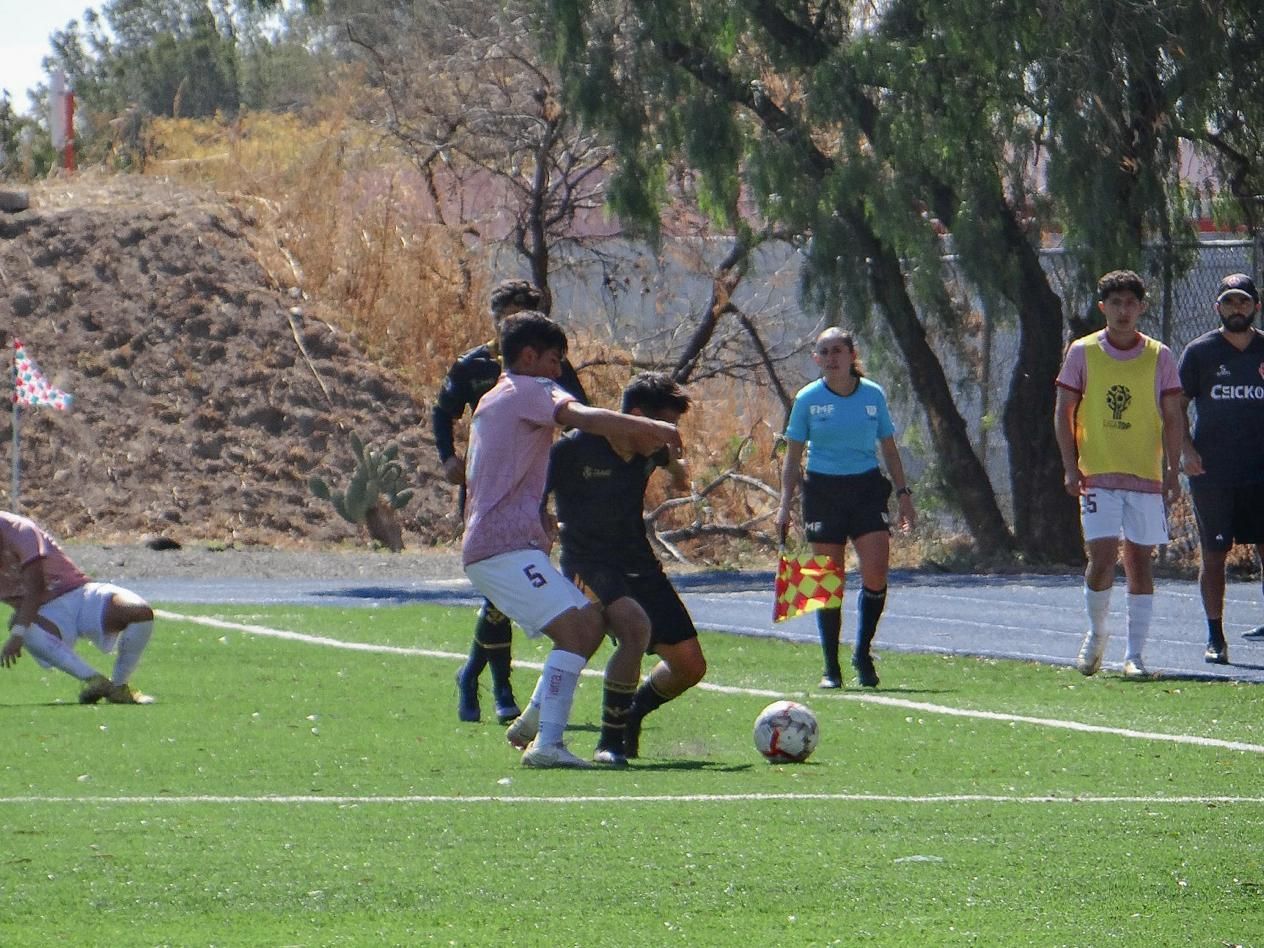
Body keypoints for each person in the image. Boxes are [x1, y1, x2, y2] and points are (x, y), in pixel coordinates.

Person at [462, 311, 682, 768]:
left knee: (590, 624)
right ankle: (548, 744)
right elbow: (582, 417)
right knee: (579, 629)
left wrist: (536, 513)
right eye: (554, 360)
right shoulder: (529, 388)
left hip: (500, 544)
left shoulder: (495, 396)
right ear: (529, 357)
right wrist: (652, 428)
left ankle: (533, 724)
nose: (559, 371)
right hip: (502, 547)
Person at [432, 279, 589, 725]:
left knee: (501, 600)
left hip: (531, 490)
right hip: (488, 492)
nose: (511, 323)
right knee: (498, 597)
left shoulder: (549, 369)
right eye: (506, 316)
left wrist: (557, 494)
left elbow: (576, 419)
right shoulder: (475, 365)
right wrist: (448, 457)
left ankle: (477, 676)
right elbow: (442, 411)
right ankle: (497, 686)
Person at [544, 372, 703, 765]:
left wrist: (679, 473)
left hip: (638, 561)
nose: (667, 437)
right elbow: (532, 492)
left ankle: (630, 715)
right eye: (664, 427)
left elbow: (674, 464)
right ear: (636, 417)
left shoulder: (650, 449)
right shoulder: (573, 450)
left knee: (690, 666)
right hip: (587, 561)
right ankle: (609, 742)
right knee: (634, 629)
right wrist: (540, 525)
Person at [1054, 269, 1184, 679]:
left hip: (1144, 474)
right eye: (1115, 303)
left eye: (1130, 303)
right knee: (1102, 558)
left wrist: (1172, 470)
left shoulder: (1160, 355)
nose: (1123, 311)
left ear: (1141, 307)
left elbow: (1173, 416)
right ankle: (1096, 633)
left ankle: (1134, 655)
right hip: (1098, 473)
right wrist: (1070, 465)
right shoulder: (1082, 352)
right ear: (1102, 308)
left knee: (1140, 563)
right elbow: (1064, 411)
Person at [775, 327, 917, 690]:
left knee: (876, 572)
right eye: (824, 352)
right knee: (826, 578)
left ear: (852, 355)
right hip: (823, 491)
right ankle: (830, 666)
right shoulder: (807, 399)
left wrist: (904, 494)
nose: (831, 358)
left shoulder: (872, 395)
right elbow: (792, 457)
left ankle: (862, 652)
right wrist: (784, 504)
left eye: (838, 350)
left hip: (866, 488)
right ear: (816, 359)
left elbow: (889, 449)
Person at [1178, 273, 1264, 664]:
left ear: (1256, 306)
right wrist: (1186, 451)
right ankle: (1215, 637)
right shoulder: (1200, 352)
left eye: (1243, 301)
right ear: (1218, 307)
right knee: (1214, 554)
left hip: (1260, 471)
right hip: (1214, 473)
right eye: (1229, 302)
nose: (1236, 308)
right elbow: (1176, 406)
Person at [0, 510, 156, 703]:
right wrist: (19, 631)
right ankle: (95, 680)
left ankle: (119, 686)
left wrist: (17, 635)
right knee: (23, 626)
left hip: (78, 594)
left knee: (140, 612)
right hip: (43, 614)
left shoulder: (20, 530)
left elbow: (36, 588)